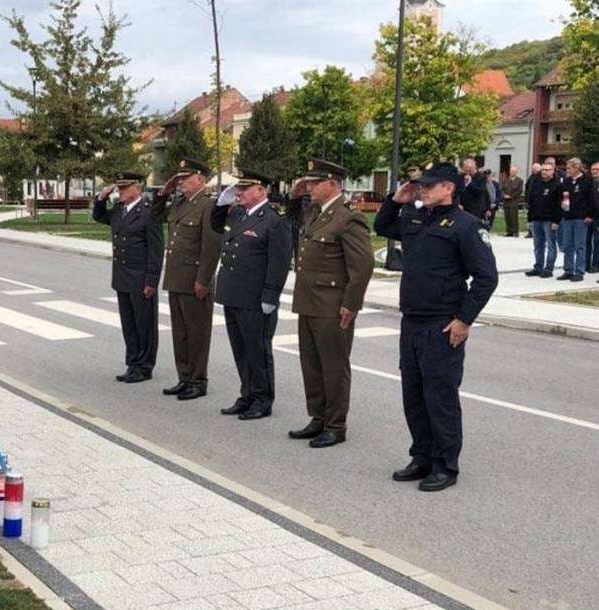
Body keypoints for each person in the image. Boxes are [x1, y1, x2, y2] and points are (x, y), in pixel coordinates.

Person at [374, 162, 498, 492]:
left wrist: (464, 319)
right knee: (413, 394)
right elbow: (382, 225)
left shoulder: (466, 226)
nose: (422, 189)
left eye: (430, 185)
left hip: (442, 324)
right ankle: (422, 456)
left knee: (439, 396)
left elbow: (487, 278)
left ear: (449, 188)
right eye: (420, 185)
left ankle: (445, 464)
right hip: (412, 320)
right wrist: (395, 199)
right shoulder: (414, 217)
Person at [288, 159, 374, 448]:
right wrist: (295, 191)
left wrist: (351, 304)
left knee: (333, 367)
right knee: (311, 365)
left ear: (332, 184)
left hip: (331, 304)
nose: (309, 187)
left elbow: (362, 266)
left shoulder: (347, 218)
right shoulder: (315, 213)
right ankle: (318, 417)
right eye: (308, 183)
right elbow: (291, 215)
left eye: (314, 182)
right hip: (308, 302)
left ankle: (336, 424)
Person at [211, 169, 291, 420]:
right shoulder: (238, 215)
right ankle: (247, 394)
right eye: (239, 189)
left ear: (261, 191)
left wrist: (271, 296)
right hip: (233, 293)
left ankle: (262, 399)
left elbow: (279, 262)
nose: (240, 193)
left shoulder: (273, 220)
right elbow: (215, 225)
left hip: (255, 297)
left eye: (245, 189)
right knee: (241, 349)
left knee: (258, 351)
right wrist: (220, 203)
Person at [152, 159, 222, 400]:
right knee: (180, 333)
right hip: (176, 278)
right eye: (179, 180)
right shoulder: (180, 204)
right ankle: (184, 377)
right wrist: (164, 192)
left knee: (197, 333)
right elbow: (155, 215)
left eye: (185, 179)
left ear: (200, 180)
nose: (181, 183)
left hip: (195, 280)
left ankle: (198, 380)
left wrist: (204, 279)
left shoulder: (208, 205)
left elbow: (212, 247)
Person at [93, 172, 163, 382]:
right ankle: (132, 363)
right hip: (122, 276)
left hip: (141, 278)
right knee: (129, 324)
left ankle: (144, 366)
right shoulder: (119, 211)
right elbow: (99, 216)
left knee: (144, 325)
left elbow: (156, 250)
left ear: (137, 188)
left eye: (125, 188)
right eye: (119, 188)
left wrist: (151, 281)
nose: (121, 192)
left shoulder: (149, 213)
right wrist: (101, 198)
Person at [525, 162, 563, 278]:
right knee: (538, 245)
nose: (544, 172)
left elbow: (559, 204)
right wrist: (530, 219)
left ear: (553, 171)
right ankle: (538, 267)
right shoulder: (536, 183)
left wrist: (557, 221)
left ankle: (548, 268)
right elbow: (530, 201)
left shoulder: (558, 185)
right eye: (543, 170)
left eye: (547, 170)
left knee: (551, 245)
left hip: (550, 219)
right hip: (536, 218)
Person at [557, 158, 591, 282]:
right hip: (568, 216)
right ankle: (568, 270)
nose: (567, 170)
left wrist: (589, 215)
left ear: (577, 168)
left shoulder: (587, 180)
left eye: (569, 168)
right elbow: (561, 195)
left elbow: (591, 199)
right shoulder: (566, 181)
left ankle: (579, 271)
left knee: (580, 245)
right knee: (567, 245)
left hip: (581, 217)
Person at [459, 158, 488, 223]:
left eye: (469, 171)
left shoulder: (481, 177)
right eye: (466, 170)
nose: (467, 173)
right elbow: (458, 191)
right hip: (462, 208)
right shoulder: (461, 176)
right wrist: (458, 203)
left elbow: (479, 191)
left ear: (474, 168)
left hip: (474, 209)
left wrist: (470, 183)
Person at [501, 166, 524, 237]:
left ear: (516, 172)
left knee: (513, 217)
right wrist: (504, 195)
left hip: (514, 201)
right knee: (507, 217)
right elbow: (502, 189)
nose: (512, 172)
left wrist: (511, 196)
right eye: (511, 171)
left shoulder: (520, 180)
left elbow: (519, 191)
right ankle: (509, 231)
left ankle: (515, 231)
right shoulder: (505, 180)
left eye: (514, 171)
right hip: (506, 202)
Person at [523, 162, 542, 239]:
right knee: (530, 217)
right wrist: (527, 198)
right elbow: (527, 188)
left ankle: (538, 232)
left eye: (536, 169)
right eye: (533, 169)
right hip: (531, 201)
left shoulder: (541, 177)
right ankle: (530, 231)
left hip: (538, 202)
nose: (534, 170)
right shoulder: (531, 177)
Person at [591, 162, 599, 276]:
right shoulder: (590, 183)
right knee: (590, 241)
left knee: (598, 241)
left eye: (596, 169)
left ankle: (597, 264)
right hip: (591, 216)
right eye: (592, 169)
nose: (594, 171)